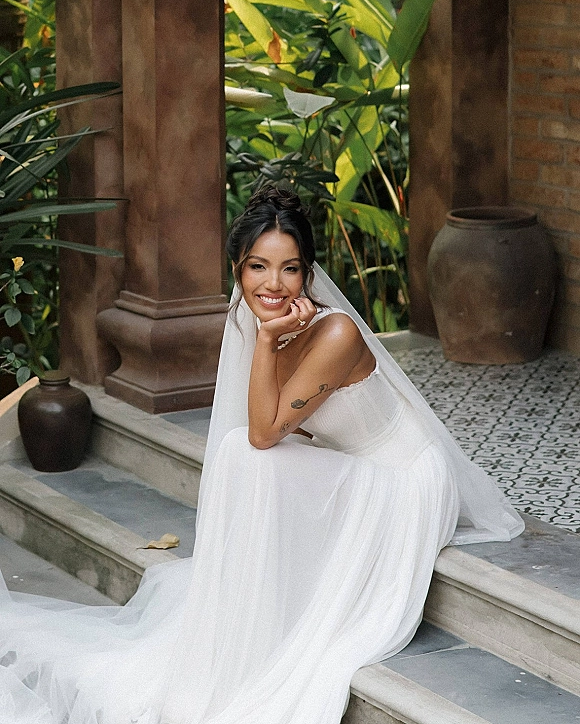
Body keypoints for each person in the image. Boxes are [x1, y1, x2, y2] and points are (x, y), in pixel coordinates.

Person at [0, 185, 524, 724]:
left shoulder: (335, 332)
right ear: (237, 270)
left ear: (308, 274)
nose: (273, 284)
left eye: (290, 269)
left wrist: (270, 341)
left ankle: (254, 625)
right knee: (243, 457)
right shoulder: (257, 318)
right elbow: (271, 427)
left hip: (404, 480)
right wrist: (269, 338)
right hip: (351, 465)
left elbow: (262, 433)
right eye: (258, 267)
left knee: (245, 453)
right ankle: (243, 617)